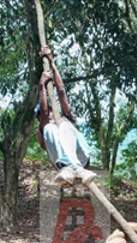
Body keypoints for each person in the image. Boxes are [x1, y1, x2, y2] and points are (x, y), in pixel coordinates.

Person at [36, 46, 96, 186]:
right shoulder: (43, 130)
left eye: (51, 110)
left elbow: (61, 91)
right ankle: (70, 169)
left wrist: (52, 63)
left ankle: (76, 168)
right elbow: (44, 112)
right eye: (43, 115)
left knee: (65, 125)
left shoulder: (65, 118)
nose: (49, 114)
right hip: (63, 166)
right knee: (50, 129)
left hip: (81, 158)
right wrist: (41, 86)